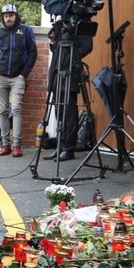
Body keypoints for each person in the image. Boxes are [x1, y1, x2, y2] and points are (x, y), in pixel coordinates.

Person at [0, 3, 37, 157]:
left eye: (11, 15)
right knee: (3, 111)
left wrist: (24, 74)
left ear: (16, 16)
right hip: (1, 77)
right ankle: (5, 144)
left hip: (18, 78)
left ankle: (17, 145)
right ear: (3, 17)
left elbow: (33, 53)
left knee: (16, 109)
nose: (8, 18)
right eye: (6, 16)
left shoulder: (25, 31)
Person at [44, 14, 94, 162]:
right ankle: (60, 146)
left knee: (69, 113)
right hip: (56, 72)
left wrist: (71, 59)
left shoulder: (81, 22)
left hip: (70, 73)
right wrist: (53, 41)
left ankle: (68, 148)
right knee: (59, 111)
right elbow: (57, 51)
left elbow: (87, 46)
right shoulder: (62, 23)